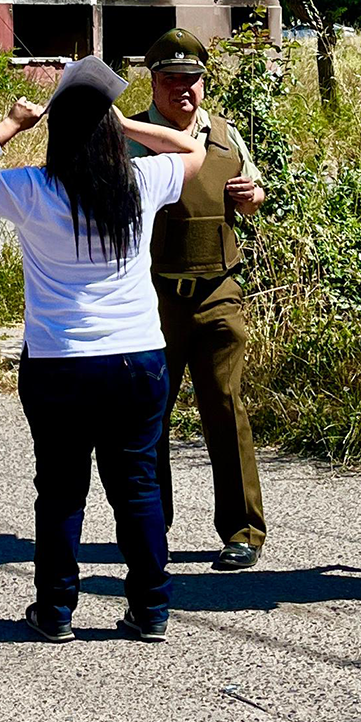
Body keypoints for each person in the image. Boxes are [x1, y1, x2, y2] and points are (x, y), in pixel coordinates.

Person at [0, 56, 207, 644]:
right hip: (138, 357)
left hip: (59, 360)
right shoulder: (140, 183)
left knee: (61, 490)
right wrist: (126, 123)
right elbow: (192, 151)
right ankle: (151, 611)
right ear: (111, 132)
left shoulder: (32, 189)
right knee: (136, 485)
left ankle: (56, 611)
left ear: (58, 130)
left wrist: (12, 124)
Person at [128, 28, 268, 572]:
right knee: (150, 416)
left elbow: (254, 196)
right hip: (153, 298)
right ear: (155, 83)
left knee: (225, 410)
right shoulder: (132, 139)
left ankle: (243, 532)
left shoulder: (227, 138)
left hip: (218, 294)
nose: (182, 91)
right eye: (171, 81)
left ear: (203, 85)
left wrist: (252, 196)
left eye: (191, 81)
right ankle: (150, 527)